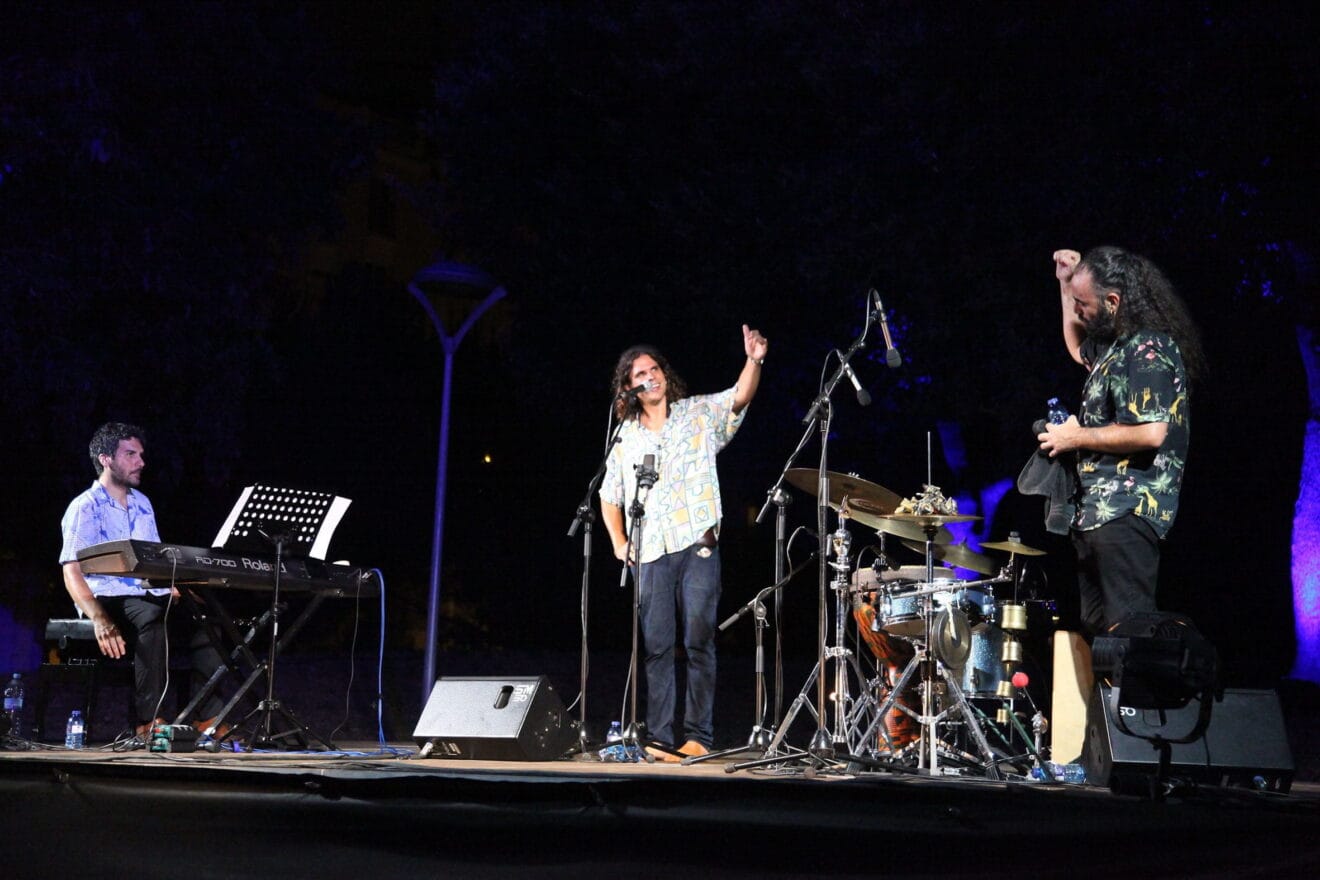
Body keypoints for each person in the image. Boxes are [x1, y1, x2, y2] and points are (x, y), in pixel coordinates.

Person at [599, 325, 768, 758]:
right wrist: (620, 542)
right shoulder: (624, 438)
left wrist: (754, 360)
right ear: (628, 386)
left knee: (697, 641)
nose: (650, 376)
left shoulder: (695, 414)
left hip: (698, 545)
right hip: (651, 551)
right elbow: (608, 497)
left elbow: (738, 397)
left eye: (654, 369)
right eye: (640, 373)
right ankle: (658, 737)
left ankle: (698, 737)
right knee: (656, 647)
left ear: (665, 376)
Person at [1039, 247, 1206, 637]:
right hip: (1097, 515)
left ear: (1113, 302)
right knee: (1099, 634)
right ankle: (1106, 700)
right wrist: (1066, 285)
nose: (1077, 310)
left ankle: (1138, 700)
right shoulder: (1115, 347)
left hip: (1128, 513)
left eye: (1084, 303)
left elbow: (1150, 432)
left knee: (1129, 634)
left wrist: (1074, 437)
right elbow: (1078, 347)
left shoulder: (1148, 347)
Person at [58, 422, 227, 739]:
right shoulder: (85, 506)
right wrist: (99, 618)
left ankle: (208, 719)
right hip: (108, 597)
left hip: (144, 593)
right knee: (151, 616)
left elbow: (153, 561)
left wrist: (172, 585)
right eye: (131, 454)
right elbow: (71, 571)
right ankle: (148, 722)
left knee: (205, 618)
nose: (141, 462)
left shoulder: (142, 504)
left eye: (141, 455)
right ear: (106, 458)